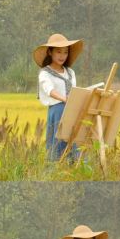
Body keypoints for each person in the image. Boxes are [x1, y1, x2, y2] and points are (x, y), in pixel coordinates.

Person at [33, 33, 83, 161]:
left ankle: (74, 168)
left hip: (72, 110)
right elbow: (49, 90)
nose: (62, 56)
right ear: (50, 52)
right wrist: (64, 99)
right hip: (57, 110)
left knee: (74, 141)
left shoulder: (70, 72)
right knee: (57, 144)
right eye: (59, 52)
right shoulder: (45, 73)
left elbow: (75, 90)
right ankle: (56, 170)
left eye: (65, 52)